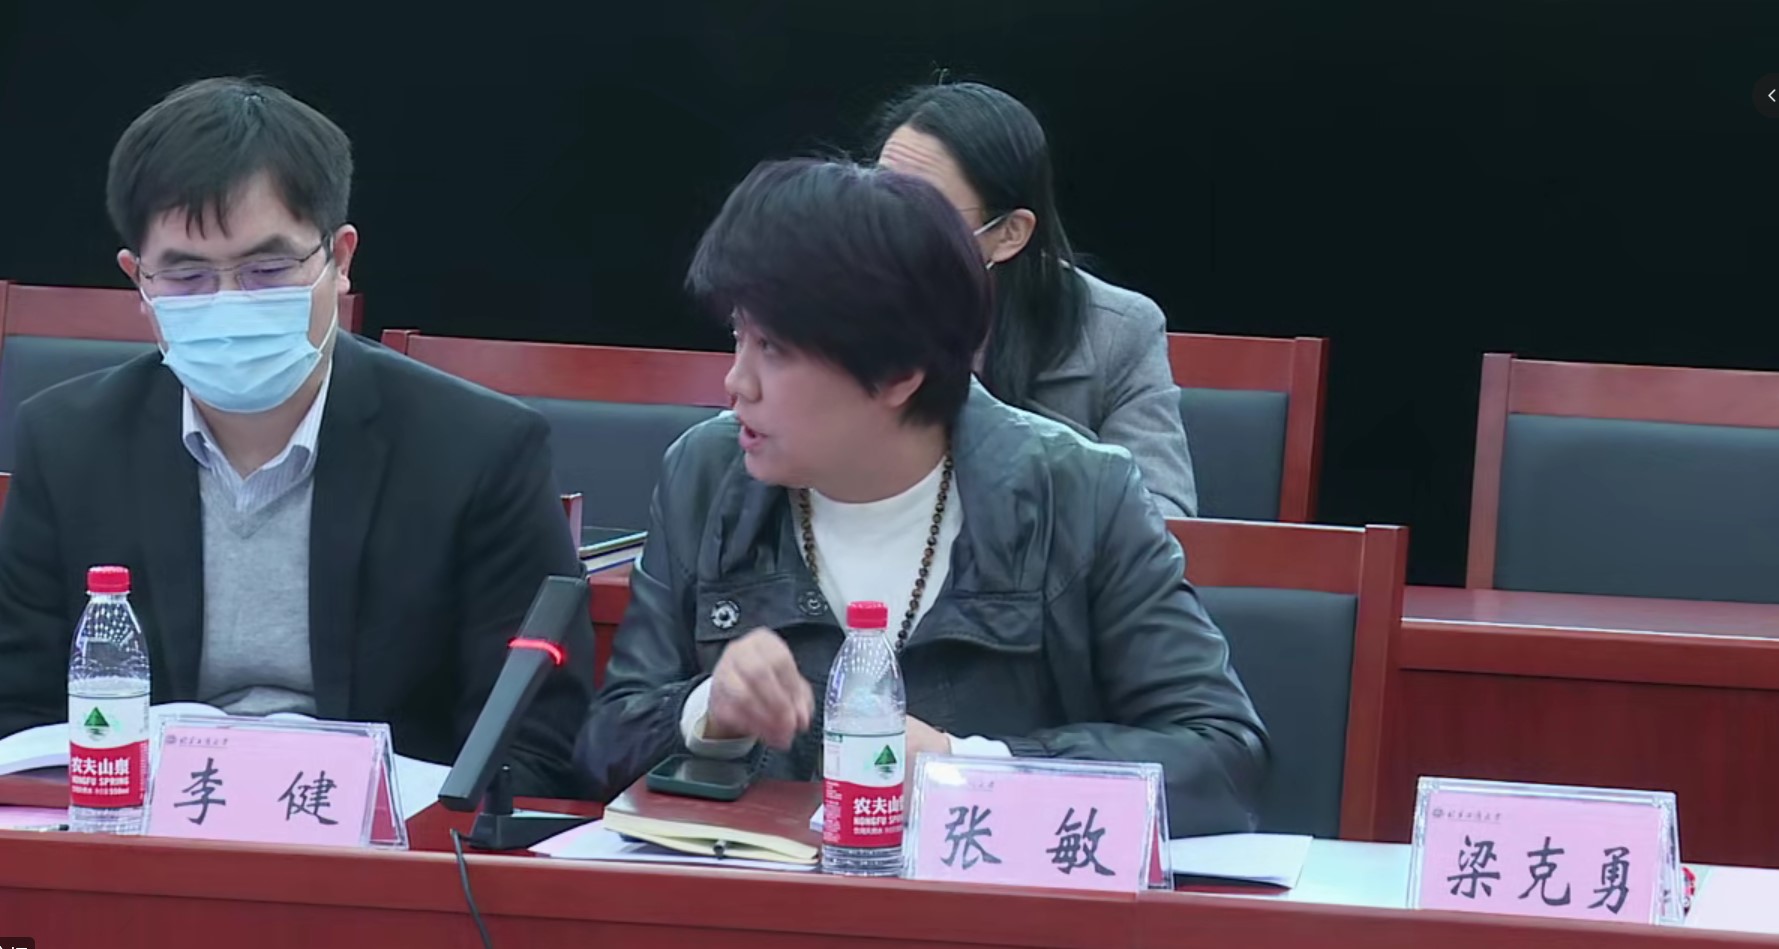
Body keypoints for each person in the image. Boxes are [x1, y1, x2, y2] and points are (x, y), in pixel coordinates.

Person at [575, 158, 1266, 832]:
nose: (736, 382)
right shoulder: (706, 474)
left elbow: (1222, 761)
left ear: (900, 373)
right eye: (739, 337)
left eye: (774, 350)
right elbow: (601, 748)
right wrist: (707, 710)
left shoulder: (1079, 494)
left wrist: (965, 768)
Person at [0, 78, 591, 797]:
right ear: (138, 281)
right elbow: (19, 717)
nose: (228, 303)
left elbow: (531, 744)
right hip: (139, 833)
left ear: (339, 259)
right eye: (186, 275)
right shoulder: (68, 444)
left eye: (267, 270)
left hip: (376, 843)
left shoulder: (479, 450)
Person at [870, 80, 1199, 518]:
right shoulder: (824, 307)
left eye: (923, 210)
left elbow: (1163, 516)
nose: (887, 227)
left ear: (1009, 233)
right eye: (878, 196)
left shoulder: (1118, 330)